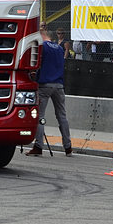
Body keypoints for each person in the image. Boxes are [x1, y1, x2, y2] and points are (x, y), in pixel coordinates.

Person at [26, 26, 73, 157]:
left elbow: (38, 63)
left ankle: (38, 145)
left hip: (45, 84)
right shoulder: (59, 47)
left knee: (40, 116)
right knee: (62, 116)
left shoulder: (42, 47)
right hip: (58, 84)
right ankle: (68, 146)